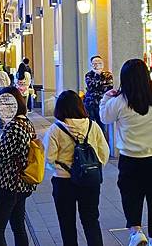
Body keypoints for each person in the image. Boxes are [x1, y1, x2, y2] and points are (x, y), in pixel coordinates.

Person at [100, 59, 152, 246]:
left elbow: (104, 117)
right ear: (147, 77)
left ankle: (136, 232)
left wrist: (106, 96)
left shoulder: (119, 102)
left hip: (131, 159)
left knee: (131, 196)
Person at [44, 90, 109, 246]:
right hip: (90, 181)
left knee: (67, 223)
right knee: (91, 220)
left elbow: (49, 157)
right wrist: (92, 168)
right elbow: (103, 153)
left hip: (64, 182)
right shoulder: (93, 126)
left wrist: (60, 169)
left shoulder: (55, 129)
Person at [0, 86, 36, 246]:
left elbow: (2, 154)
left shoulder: (15, 127)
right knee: (18, 225)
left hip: (11, 184)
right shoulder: (26, 122)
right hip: (21, 183)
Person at [84, 56, 113, 128]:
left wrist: (99, 84)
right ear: (91, 65)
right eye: (94, 63)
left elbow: (109, 87)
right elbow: (91, 86)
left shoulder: (108, 75)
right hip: (90, 103)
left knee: (102, 126)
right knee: (90, 126)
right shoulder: (88, 75)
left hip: (102, 103)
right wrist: (98, 77)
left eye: (99, 63)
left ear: (103, 64)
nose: (97, 65)